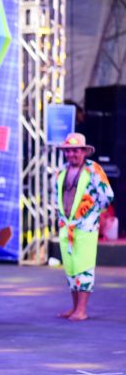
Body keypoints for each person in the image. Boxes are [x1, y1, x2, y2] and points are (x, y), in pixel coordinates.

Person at [55, 133, 114, 321]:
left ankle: (82, 310)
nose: (72, 154)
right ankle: (74, 308)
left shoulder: (93, 170)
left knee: (84, 268)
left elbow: (107, 195)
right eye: (68, 151)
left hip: (85, 227)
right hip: (66, 226)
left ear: (83, 152)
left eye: (75, 150)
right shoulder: (61, 172)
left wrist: (92, 213)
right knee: (71, 268)